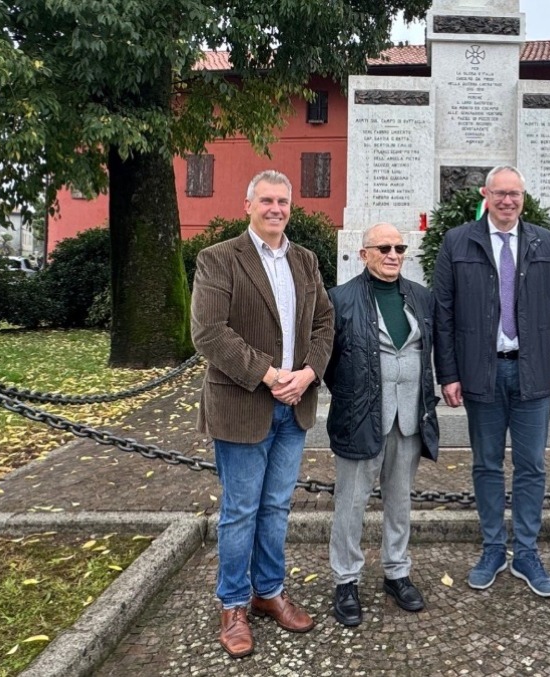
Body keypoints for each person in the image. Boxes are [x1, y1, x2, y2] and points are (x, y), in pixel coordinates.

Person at [190, 170, 334, 658]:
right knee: (240, 511)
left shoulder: (306, 260)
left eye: (283, 201)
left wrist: (309, 372)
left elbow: (324, 322)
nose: (276, 208)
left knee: (276, 508)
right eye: (267, 200)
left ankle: (268, 591)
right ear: (247, 204)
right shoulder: (219, 258)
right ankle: (232, 605)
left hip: (294, 407)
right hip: (243, 405)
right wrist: (273, 376)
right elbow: (210, 333)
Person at [433, 165, 550, 598]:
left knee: (532, 466)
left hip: (533, 372)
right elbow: (444, 314)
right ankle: (493, 548)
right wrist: (449, 374)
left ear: (523, 198)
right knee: (486, 465)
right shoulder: (458, 241)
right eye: (500, 193)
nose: (508, 201)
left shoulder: (544, 242)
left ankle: (526, 552)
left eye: (515, 194)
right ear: (485, 194)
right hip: (482, 373)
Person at [325, 223, 440, 627]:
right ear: (364, 254)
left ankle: (397, 571)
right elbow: (329, 362)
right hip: (360, 417)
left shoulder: (421, 298)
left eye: (399, 247)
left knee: (400, 501)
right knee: (351, 503)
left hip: (409, 417)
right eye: (384, 247)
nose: (393, 254)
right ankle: (346, 579)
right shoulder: (340, 299)